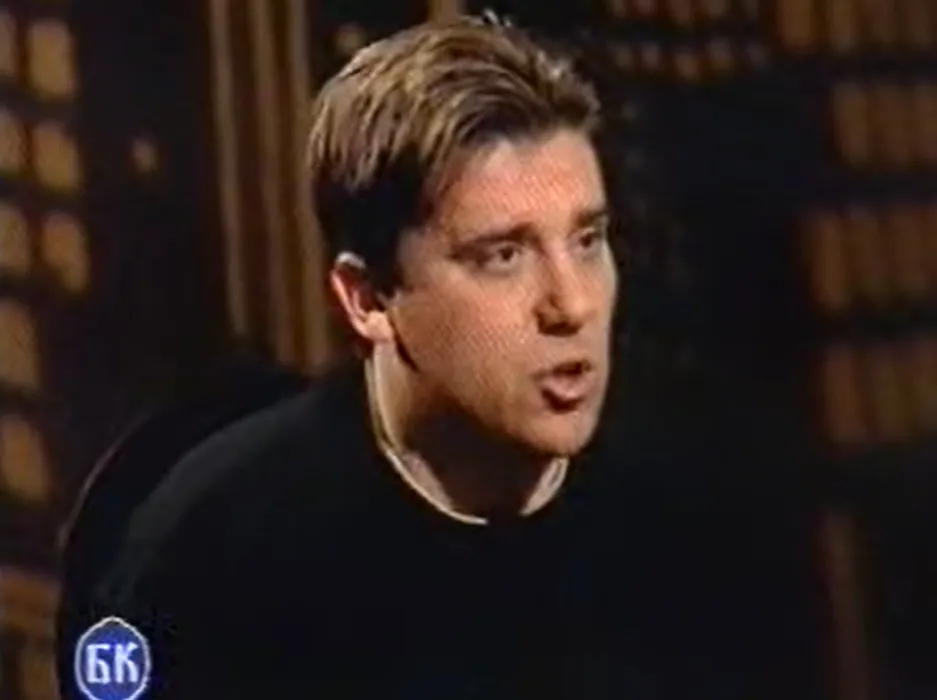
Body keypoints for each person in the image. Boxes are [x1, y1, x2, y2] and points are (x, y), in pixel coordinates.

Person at [58, 14, 819, 700]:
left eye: (588, 240)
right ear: (368, 299)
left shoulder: (713, 508)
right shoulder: (204, 559)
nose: (572, 305)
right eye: (503, 255)